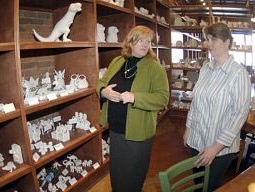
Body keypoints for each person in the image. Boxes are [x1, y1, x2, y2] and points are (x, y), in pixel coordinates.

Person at [96, 25, 169, 192]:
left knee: (134, 173)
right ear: (130, 41)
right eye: (140, 40)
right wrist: (104, 91)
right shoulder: (117, 61)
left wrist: (136, 97)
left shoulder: (154, 67)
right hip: (115, 128)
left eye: (148, 41)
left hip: (139, 131)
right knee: (117, 170)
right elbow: (101, 82)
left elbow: (163, 98)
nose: (145, 44)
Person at [183, 22, 251, 191]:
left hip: (219, 148)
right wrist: (188, 128)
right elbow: (196, 101)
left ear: (227, 42)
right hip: (196, 141)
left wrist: (215, 148)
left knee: (210, 187)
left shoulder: (238, 74)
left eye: (213, 39)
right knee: (199, 185)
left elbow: (239, 115)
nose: (208, 43)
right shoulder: (206, 68)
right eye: (207, 39)